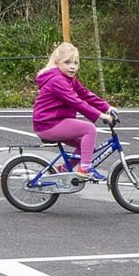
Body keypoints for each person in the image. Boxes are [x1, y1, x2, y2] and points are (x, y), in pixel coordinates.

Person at [32, 42, 114, 183]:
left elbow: (85, 94)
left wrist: (107, 107)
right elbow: (76, 102)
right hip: (49, 124)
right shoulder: (57, 80)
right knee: (89, 129)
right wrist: (100, 115)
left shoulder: (68, 79)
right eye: (67, 62)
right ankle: (85, 169)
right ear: (57, 63)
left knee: (86, 145)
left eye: (76, 63)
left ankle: (63, 169)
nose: (72, 66)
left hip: (55, 121)